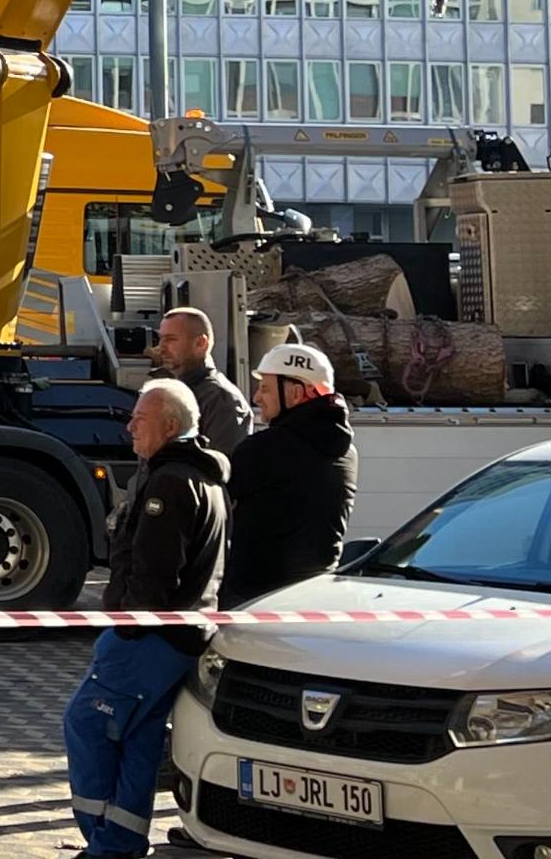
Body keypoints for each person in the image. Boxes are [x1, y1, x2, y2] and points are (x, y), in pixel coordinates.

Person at [64, 377, 229, 859]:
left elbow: (154, 568)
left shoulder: (171, 481)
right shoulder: (199, 476)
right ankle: (122, 843)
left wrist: (129, 627)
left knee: (87, 724)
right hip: (179, 638)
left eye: (141, 417)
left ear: (171, 425)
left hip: (148, 640)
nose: (130, 424)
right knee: (138, 739)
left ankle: (106, 841)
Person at [219, 341, 358, 605]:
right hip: (315, 595)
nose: (257, 398)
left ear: (295, 394)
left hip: (251, 599)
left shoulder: (262, 449)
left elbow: (215, 511)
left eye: (265, 389)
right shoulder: (348, 452)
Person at [152, 307, 250, 452]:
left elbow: (220, 467)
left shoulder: (220, 399)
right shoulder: (170, 390)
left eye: (170, 339)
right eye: (161, 339)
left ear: (200, 343)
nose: (161, 348)